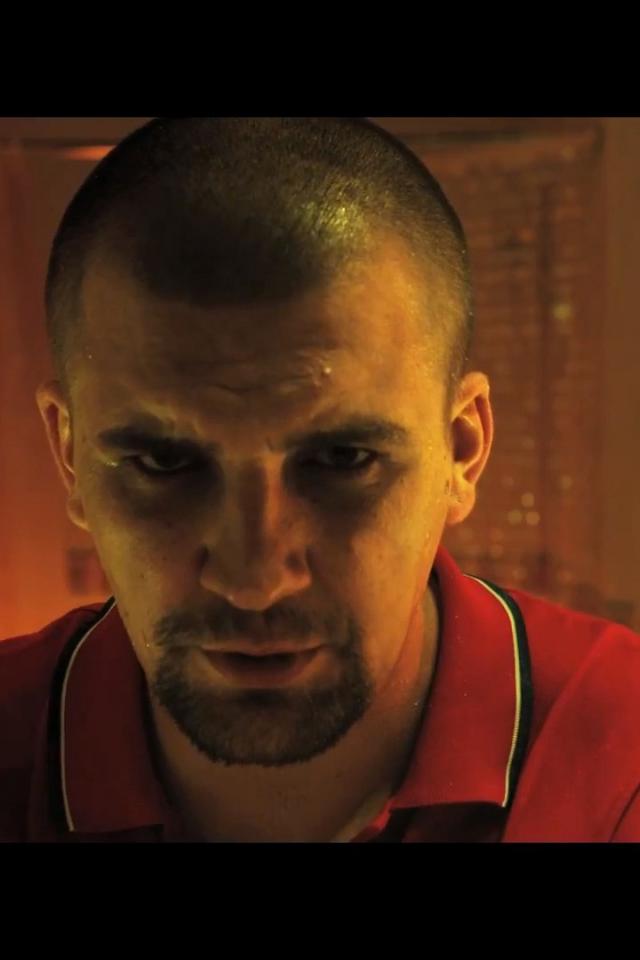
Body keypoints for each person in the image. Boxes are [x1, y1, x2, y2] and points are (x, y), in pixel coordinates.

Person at [2, 117, 639, 843]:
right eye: (164, 464)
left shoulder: (621, 767)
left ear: (462, 449)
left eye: (341, 461)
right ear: (69, 456)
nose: (255, 580)